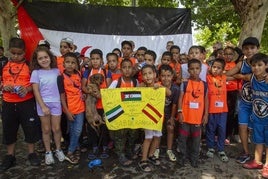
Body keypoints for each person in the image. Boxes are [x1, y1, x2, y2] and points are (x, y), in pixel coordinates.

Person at [0, 37, 41, 171]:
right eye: (13, 53)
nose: (16, 56)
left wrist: (27, 89)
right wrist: (3, 87)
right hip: (8, 103)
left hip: (26, 103)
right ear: (8, 52)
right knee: (9, 129)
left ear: (24, 53)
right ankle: (10, 156)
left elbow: (36, 83)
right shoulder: (4, 65)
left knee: (30, 127)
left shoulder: (30, 66)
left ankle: (31, 153)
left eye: (19, 53)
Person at [226, 37, 260, 164]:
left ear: (258, 48)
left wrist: (244, 76)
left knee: (258, 129)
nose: (249, 50)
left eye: (252, 48)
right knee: (242, 126)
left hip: (260, 103)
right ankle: (246, 152)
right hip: (244, 102)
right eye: (246, 48)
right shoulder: (242, 64)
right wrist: (238, 76)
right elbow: (226, 75)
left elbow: (260, 76)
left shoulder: (263, 62)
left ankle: (259, 154)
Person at [30, 46, 66, 165]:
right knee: (46, 129)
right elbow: (36, 91)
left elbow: (61, 89)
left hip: (56, 103)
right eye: (40, 58)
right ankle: (48, 152)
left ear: (50, 58)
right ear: (37, 61)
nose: (44, 60)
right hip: (43, 104)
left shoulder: (56, 71)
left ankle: (58, 149)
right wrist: (43, 106)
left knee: (56, 128)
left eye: (46, 57)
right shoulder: (36, 73)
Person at [138, 64, 170, 172]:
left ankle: (151, 155)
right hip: (147, 117)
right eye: (145, 74)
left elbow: (169, 93)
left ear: (155, 75)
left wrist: (161, 87)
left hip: (157, 117)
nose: (148, 76)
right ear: (142, 76)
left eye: (150, 73)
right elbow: (135, 95)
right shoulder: (142, 86)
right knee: (148, 137)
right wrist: (140, 88)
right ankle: (143, 159)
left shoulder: (159, 85)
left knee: (157, 136)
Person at [177, 58, 208, 167]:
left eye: (197, 69)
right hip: (185, 117)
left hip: (197, 118)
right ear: (188, 70)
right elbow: (180, 98)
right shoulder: (185, 83)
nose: (194, 71)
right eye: (192, 69)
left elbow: (206, 100)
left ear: (200, 70)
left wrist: (206, 115)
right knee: (182, 138)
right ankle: (182, 157)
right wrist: (180, 112)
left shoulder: (204, 85)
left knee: (196, 140)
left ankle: (194, 159)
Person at [81, 49, 112, 159]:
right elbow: (83, 86)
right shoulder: (87, 72)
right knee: (91, 127)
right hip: (91, 107)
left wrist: (99, 94)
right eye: (93, 59)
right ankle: (94, 147)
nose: (95, 61)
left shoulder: (106, 72)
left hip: (103, 105)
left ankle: (104, 147)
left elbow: (108, 89)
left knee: (104, 127)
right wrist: (90, 92)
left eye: (97, 59)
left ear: (101, 60)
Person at [109, 59, 139, 166]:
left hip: (131, 114)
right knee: (120, 135)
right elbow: (109, 97)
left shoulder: (135, 82)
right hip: (119, 114)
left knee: (132, 133)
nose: (127, 70)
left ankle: (129, 151)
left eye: (129, 67)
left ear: (132, 69)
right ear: (120, 69)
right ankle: (120, 155)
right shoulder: (116, 82)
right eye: (124, 67)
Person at [57, 52, 85, 164]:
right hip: (70, 109)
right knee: (75, 130)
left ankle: (74, 148)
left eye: (73, 63)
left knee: (76, 130)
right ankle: (70, 152)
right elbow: (62, 97)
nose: (70, 65)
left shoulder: (78, 74)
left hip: (81, 107)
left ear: (76, 65)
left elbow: (79, 89)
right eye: (67, 62)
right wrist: (67, 112)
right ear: (63, 64)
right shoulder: (60, 78)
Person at [154, 64, 179, 162]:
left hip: (169, 113)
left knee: (170, 128)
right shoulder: (157, 86)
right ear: (159, 76)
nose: (166, 78)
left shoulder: (175, 89)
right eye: (163, 76)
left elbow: (174, 104)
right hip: (158, 113)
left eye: (168, 76)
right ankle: (156, 149)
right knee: (158, 130)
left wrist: (172, 118)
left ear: (172, 76)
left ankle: (169, 150)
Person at [206, 58, 229, 162]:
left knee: (222, 129)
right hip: (211, 109)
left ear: (223, 69)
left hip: (223, 110)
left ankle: (221, 149)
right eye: (214, 67)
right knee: (211, 129)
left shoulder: (224, 78)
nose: (215, 69)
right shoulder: (207, 78)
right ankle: (210, 147)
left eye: (219, 68)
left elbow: (235, 76)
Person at [223, 46, 240, 144]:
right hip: (222, 92)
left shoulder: (236, 65)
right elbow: (220, 76)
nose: (228, 56)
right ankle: (222, 134)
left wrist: (226, 75)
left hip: (233, 91)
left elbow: (236, 77)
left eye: (230, 54)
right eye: (226, 54)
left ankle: (229, 135)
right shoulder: (221, 64)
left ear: (233, 55)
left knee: (231, 114)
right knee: (223, 114)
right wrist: (230, 76)